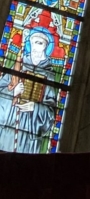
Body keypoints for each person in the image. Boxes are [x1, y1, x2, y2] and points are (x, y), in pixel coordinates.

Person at [0, 10, 62, 154]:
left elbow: (51, 112)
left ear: (46, 47)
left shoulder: (49, 75)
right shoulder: (17, 66)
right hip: (9, 125)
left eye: (39, 43)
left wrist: (35, 107)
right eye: (33, 42)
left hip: (30, 131)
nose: (35, 46)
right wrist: (12, 92)